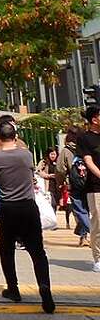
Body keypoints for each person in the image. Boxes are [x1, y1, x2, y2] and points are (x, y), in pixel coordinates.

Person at [0, 120, 55, 313]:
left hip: (8, 209)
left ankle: (13, 289)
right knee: (38, 251)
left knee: (7, 250)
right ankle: (44, 287)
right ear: (15, 137)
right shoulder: (27, 155)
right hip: (28, 207)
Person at [56, 127, 90, 246]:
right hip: (90, 183)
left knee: (80, 211)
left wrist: (60, 183)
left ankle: (90, 233)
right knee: (88, 210)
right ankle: (83, 235)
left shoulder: (66, 151)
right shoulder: (87, 146)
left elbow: (60, 169)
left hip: (74, 184)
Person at [78, 105, 100, 272]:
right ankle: (98, 258)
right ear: (94, 119)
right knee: (98, 223)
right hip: (96, 187)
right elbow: (88, 161)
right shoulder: (85, 138)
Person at [36, 147, 60, 212]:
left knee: (56, 202)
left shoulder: (59, 161)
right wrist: (48, 175)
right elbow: (38, 171)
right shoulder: (44, 162)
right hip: (48, 184)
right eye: (51, 154)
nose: (53, 156)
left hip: (57, 185)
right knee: (52, 202)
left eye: (54, 154)